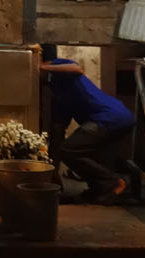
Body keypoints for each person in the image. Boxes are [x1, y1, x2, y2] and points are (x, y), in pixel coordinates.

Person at [41, 56, 136, 204]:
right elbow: (58, 135)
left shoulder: (58, 67)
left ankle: (114, 182)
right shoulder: (58, 95)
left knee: (69, 150)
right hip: (109, 119)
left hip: (111, 117)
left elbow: (76, 69)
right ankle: (100, 188)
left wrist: (43, 67)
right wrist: (53, 173)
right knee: (72, 150)